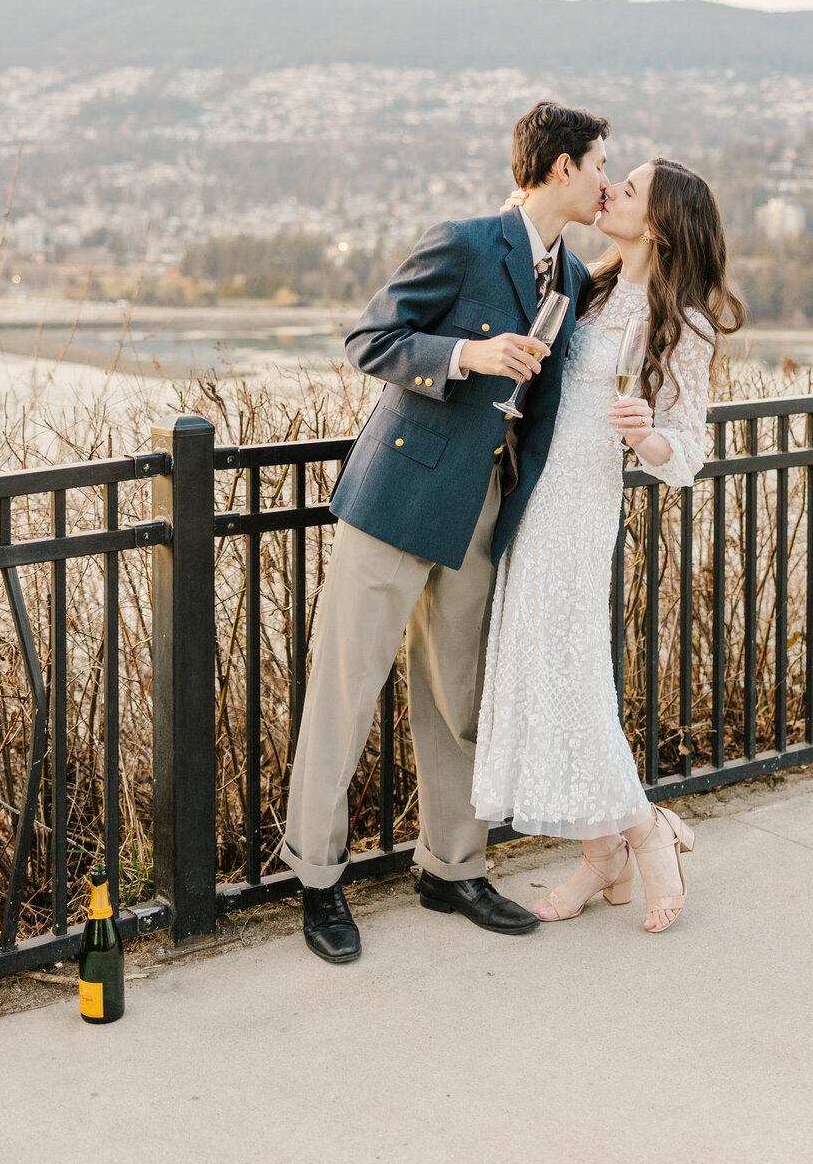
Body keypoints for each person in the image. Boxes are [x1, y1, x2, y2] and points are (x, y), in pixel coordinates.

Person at [282, 102, 611, 962]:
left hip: (483, 513)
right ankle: (318, 884)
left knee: (458, 704)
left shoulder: (571, 280)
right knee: (344, 695)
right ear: (562, 167)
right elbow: (370, 336)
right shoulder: (466, 242)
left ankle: (451, 868)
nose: (609, 180)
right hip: (397, 503)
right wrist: (468, 356)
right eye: (601, 163)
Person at [473, 157, 745, 930]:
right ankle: (605, 853)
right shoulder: (585, 290)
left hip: (582, 508)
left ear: (656, 224)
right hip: (532, 501)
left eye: (627, 189)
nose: (609, 192)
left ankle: (642, 836)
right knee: (544, 668)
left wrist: (647, 436)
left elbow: (687, 453)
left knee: (577, 679)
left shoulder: (681, 322)